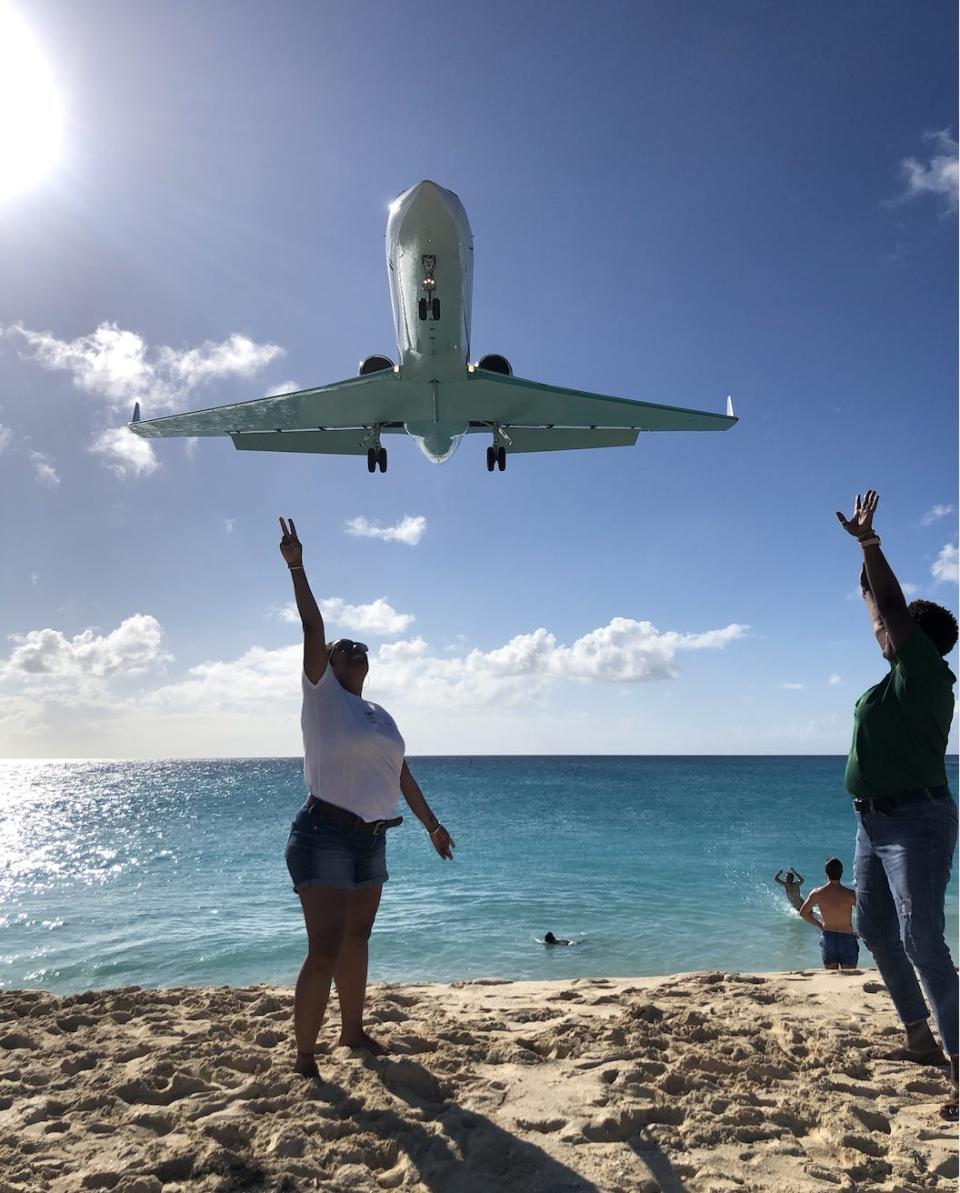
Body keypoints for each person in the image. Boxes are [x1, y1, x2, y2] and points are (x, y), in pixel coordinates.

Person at [278, 516, 456, 1078]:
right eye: (344, 648)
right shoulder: (322, 695)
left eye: (362, 648)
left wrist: (431, 824)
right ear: (328, 664)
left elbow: (402, 774)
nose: (355, 650)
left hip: (372, 839)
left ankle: (352, 1032)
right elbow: (312, 624)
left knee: (356, 939)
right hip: (324, 833)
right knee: (325, 946)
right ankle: (305, 1056)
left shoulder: (378, 714)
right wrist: (297, 566)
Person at [837, 490, 958, 1120]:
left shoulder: (928, 676)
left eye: (897, 628)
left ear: (922, 640)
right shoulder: (900, 675)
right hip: (874, 818)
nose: (884, 632)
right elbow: (879, 610)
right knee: (874, 930)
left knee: (921, 940)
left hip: (917, 819)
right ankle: (919, 1038)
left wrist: (871, 546)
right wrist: (863, 565)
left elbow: (888, 612)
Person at [798, 858, 859, 970]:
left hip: (828, 936)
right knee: (850, 976)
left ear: (826, 873)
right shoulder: (851, 894)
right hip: (847, 937)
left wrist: (819, 924)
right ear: (841, 873)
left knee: (831, 976)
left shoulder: (817, 893)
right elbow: (865, 914)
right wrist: (861, 932)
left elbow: (803, 913)